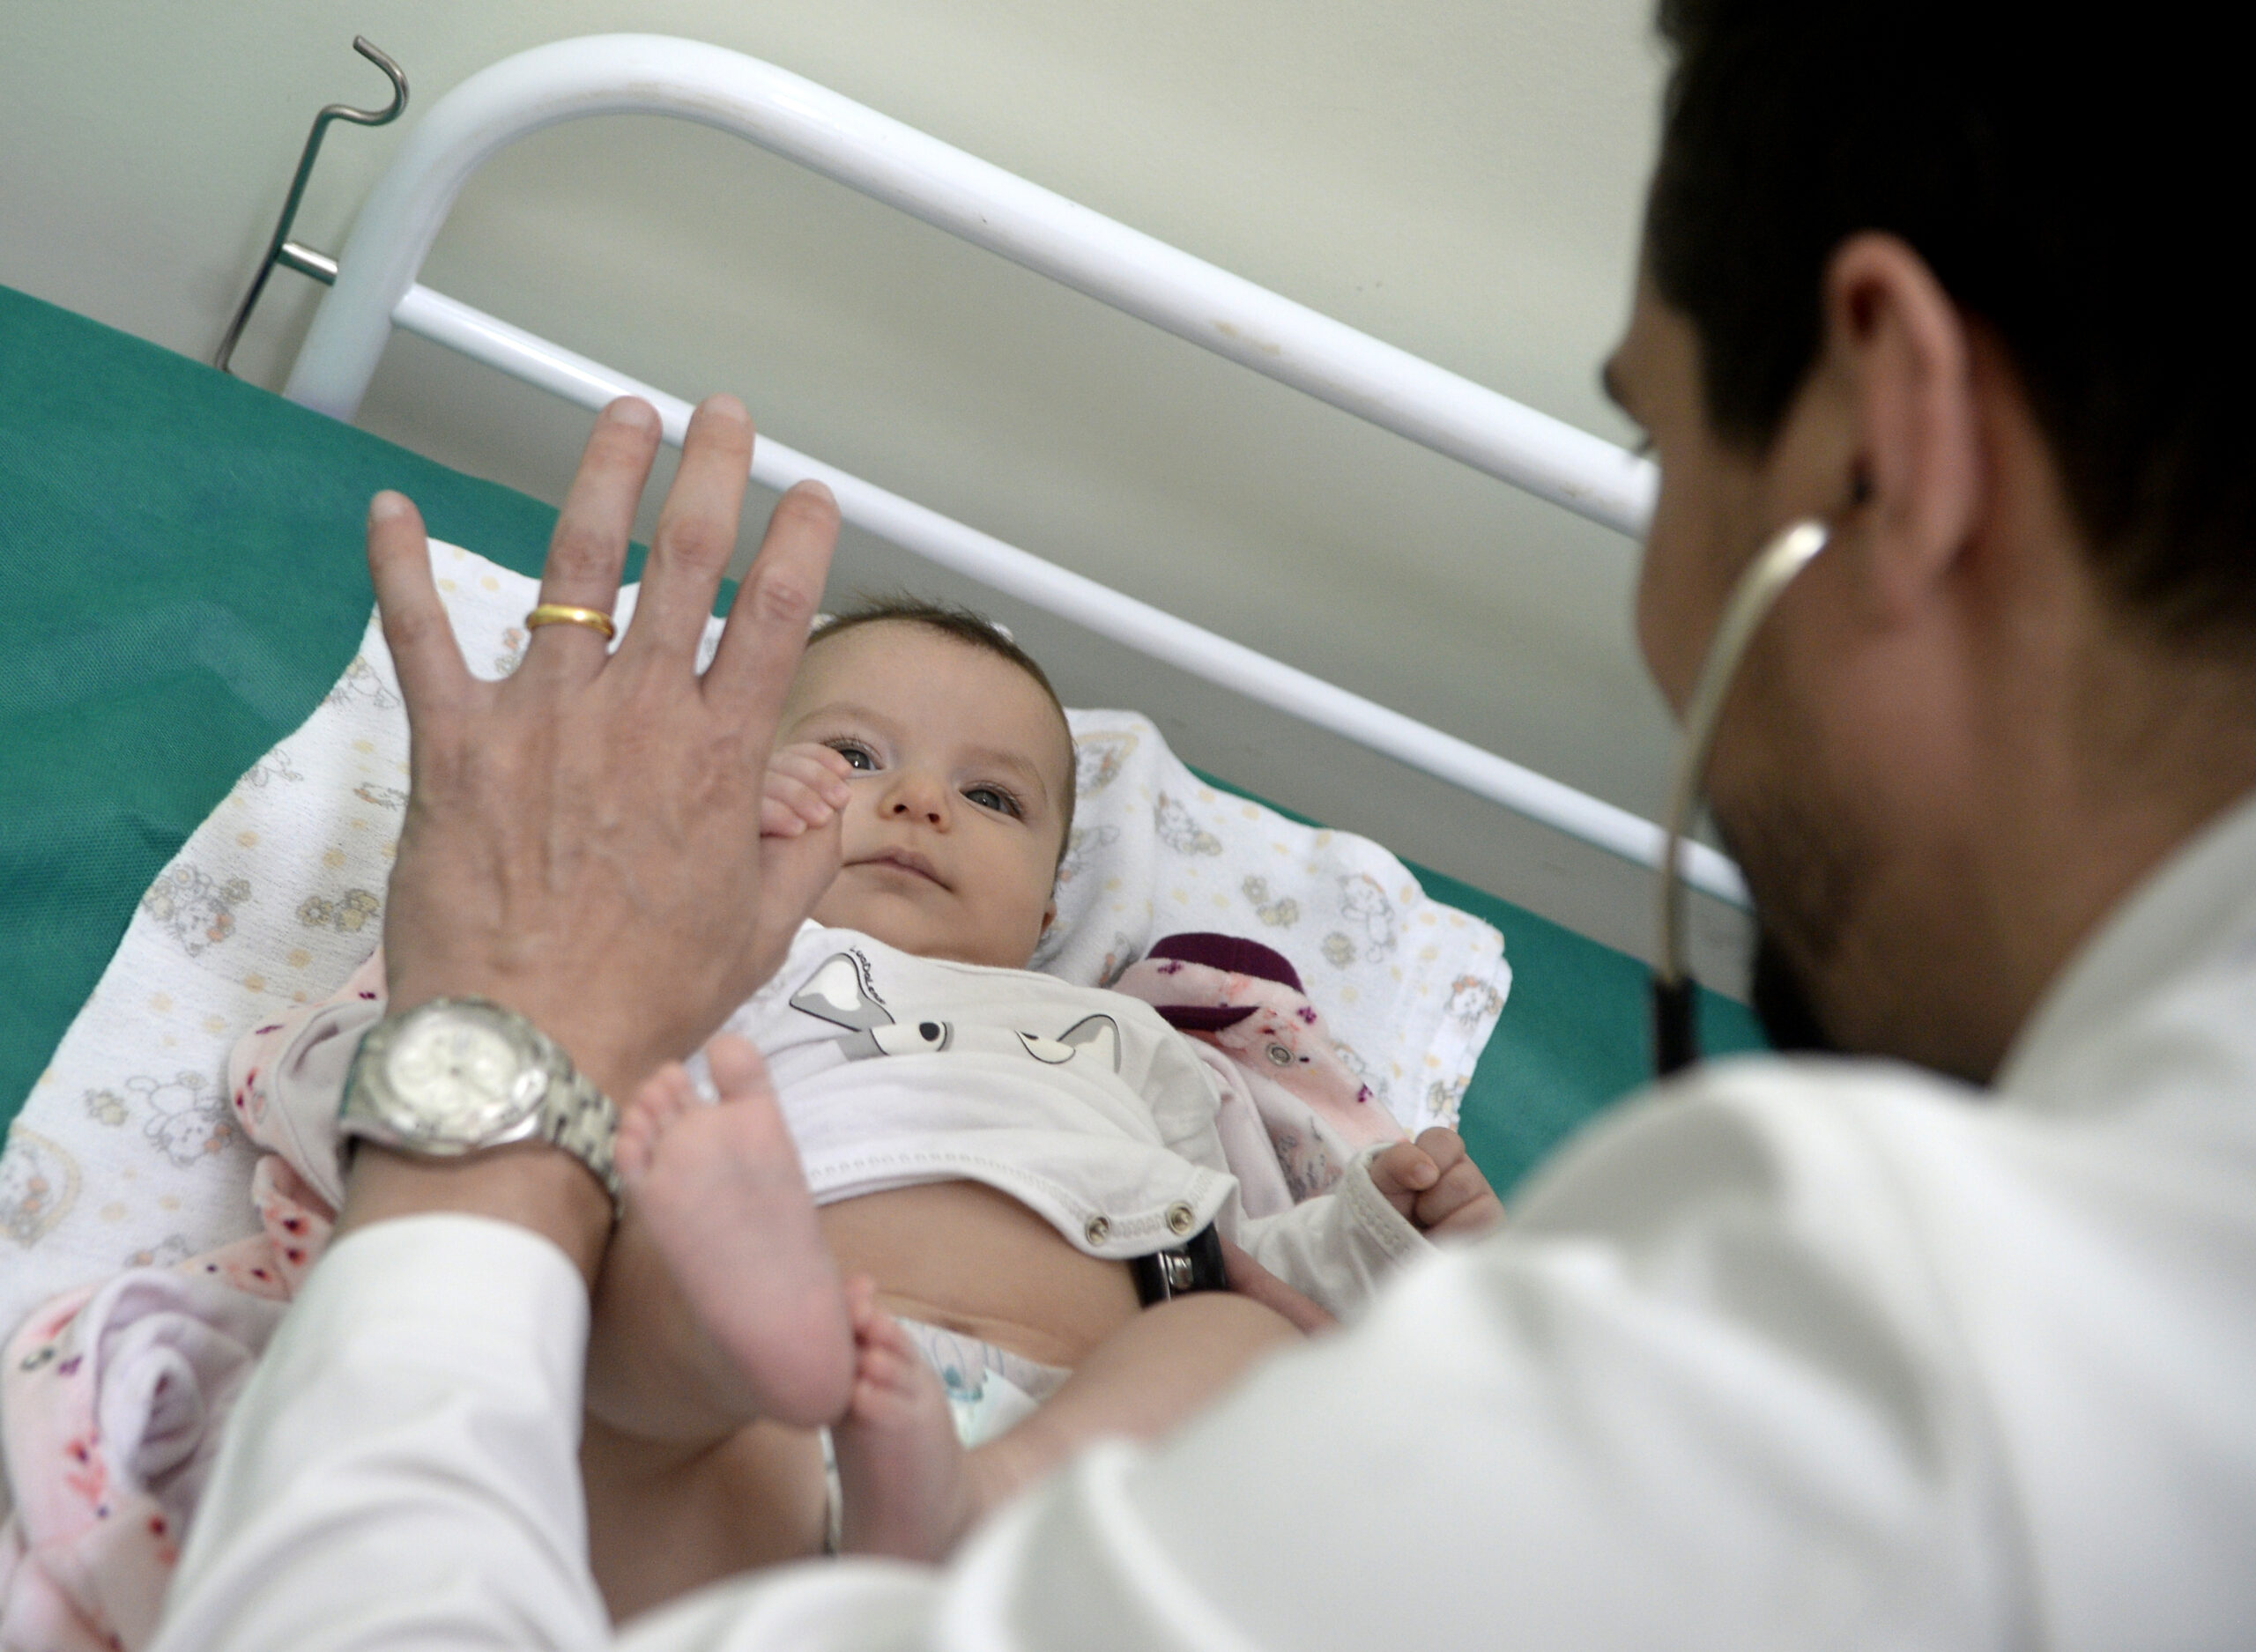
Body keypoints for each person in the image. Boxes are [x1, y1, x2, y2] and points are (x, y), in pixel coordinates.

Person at [151, 0, 2256, 1645]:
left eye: (1646, 435)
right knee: (657, 1369)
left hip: (1027, 1398)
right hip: (786, 1331)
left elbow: (1267, 1229)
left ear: (1885, 438)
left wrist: (502, 1057)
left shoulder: (1902, 1362)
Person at [265, 601, 1498, 1611]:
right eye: (854, 756)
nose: (919, 801)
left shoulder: (1138, 1041)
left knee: (1245, 1346)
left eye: (996, 797)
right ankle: (725, 1332)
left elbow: (1241, 1255)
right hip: (755, 1417)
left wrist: (1374, 1231)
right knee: (629, 1322)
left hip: (1070, 1441)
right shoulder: (680, 957)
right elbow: (405, 1103)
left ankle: (968, 1499)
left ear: (1050, 899)